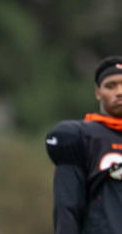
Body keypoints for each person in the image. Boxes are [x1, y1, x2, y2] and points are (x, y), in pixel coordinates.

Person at [45, 56, 122, 234]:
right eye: (111, 86)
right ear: (98, 92)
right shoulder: (80, 136)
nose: (119, 92)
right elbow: (67, 206)